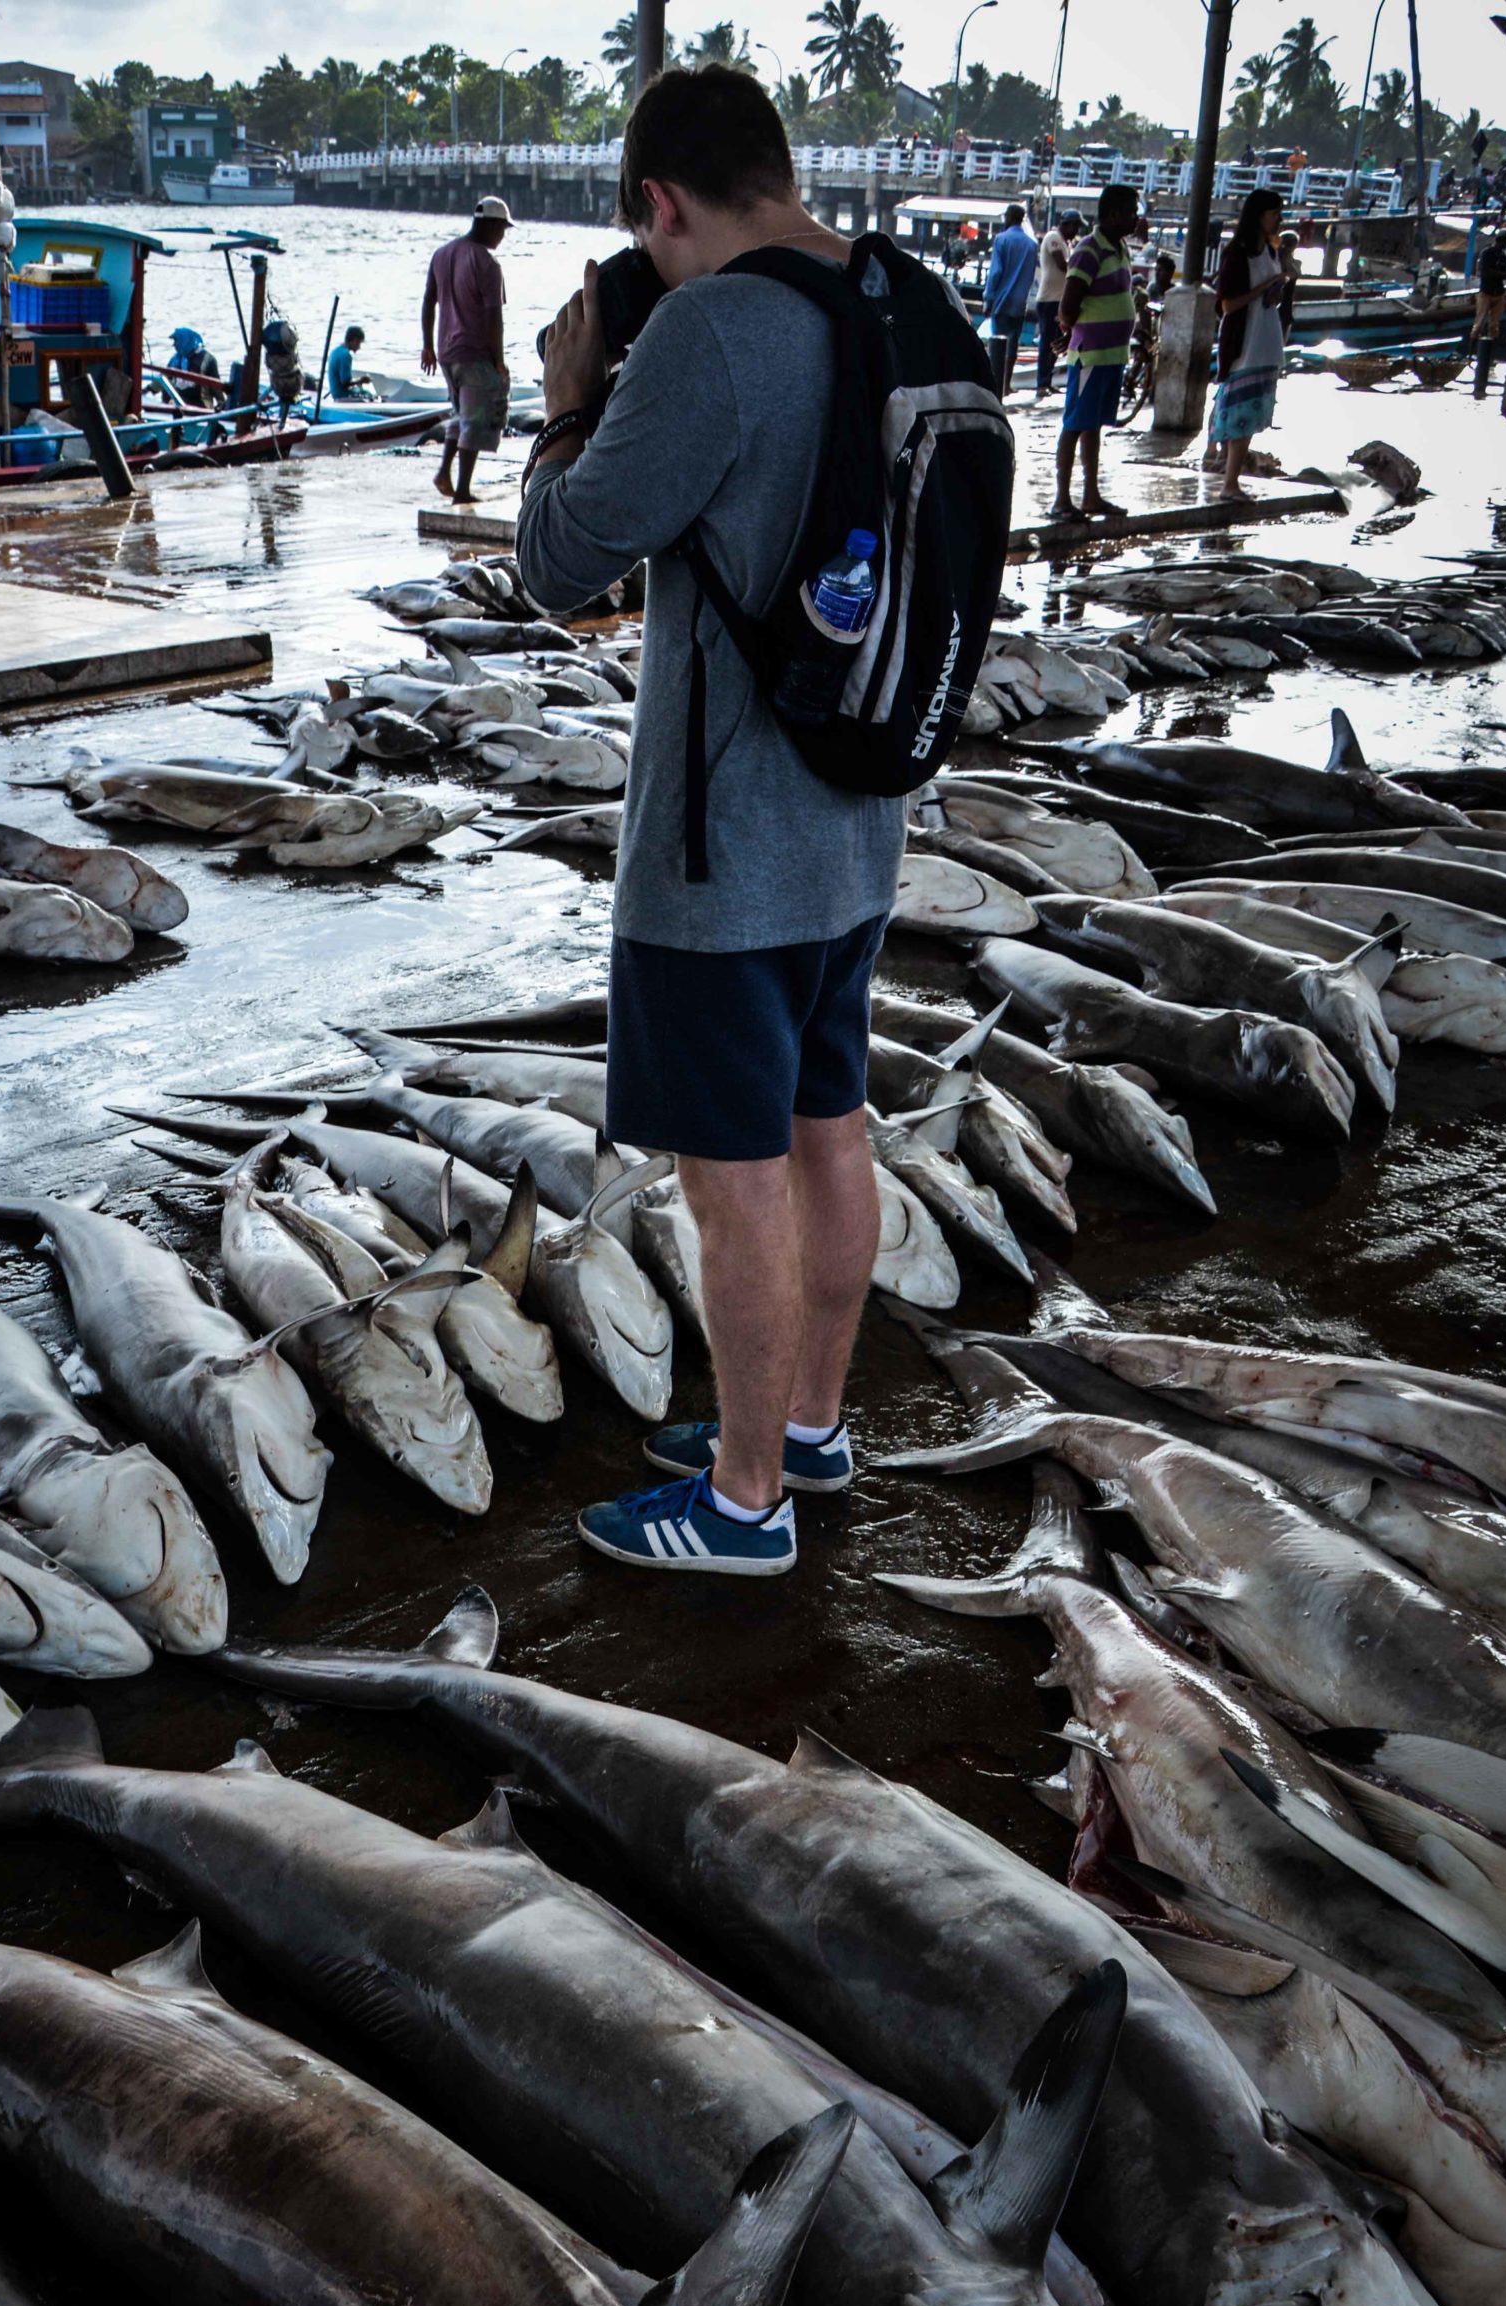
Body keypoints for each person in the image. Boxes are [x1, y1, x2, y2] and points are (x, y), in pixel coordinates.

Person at [515, 65, 911, 1577]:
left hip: (716, 851)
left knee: (730, 1178)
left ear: (659, 203)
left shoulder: (707, 326)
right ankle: (806, 1424)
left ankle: (743, 1505)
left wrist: (567, 403)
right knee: (827, 1129)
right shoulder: (896, 298)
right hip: (857, 814)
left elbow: (559, 566)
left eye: (649, 235)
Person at [1052, 183, 1138, 521]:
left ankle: (1090, 496)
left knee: (1093, 427)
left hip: (1113, 356)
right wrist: (1073, 330)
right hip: (1090, 356)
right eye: (1131, 211)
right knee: (1075, 424)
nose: (1135, 218)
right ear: (1113, 214)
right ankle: (1061, 499)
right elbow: (1068, 305)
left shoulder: (1120, 249)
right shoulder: (1090, 249)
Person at [422, 194, 513, 506]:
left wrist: (427, 346)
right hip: (474, 352)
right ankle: (462, 491)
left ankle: (444, 472)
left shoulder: (442, 253)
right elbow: (493, 317)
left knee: (460, 416)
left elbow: (427, 302)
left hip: (446, 352)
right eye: (502, 229)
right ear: (490, 225)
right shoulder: (487, 263)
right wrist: (498, 361)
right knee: (474, 421)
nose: (503, 236)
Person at [1209, 189, 1293, 501]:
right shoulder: (1238, 253)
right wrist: (1264, 289)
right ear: (1259, 216)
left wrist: (1276, 290)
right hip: (1244, 344)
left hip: (1266, 341)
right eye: (1275, 213)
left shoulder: (1271, 251)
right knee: (1237, 415)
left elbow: (1269, 294)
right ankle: (1229, 482)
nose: (1279, 219)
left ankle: (1233, 480)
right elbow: (1228, 305)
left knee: (1250, 416)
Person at [980, 200, 1038, 391]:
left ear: (1010, 217)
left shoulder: (1001, 240)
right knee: (1013, 346)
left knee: (997, 345)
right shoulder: (1031, 245)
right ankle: (1007, 385)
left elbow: (995, 273)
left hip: (1001, 301)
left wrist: (988, 299)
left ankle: (995, 385)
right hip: (1020, 302)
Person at [1033, 208, 1081, 396]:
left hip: (1059, 299)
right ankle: (1041, 383)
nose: (1076, 230)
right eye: (1075, 226)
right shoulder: (1054, 237)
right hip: (1049, 299)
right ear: (1066, 224)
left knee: (1056, 343)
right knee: (1047, 342)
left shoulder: (1065, 243)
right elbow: (1062, 264)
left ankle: (1048, 380)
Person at [1474, 227, 1506, 347]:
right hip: (1486, 292)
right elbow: (1485, 272)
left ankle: (1490, 352)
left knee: (1494, 326)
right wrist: (1502, 274)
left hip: (1499, 293)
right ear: (1500, 240)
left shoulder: (1503, 257)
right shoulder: (1487, 253)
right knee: (1479, 324)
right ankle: (1473, 351)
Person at [327, 324, 369, 402]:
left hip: (335, 392)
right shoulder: (346, 355)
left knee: (360, 391)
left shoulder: (335, 351)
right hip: (342, 395)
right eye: (359, 343)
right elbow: (345, 383)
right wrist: (361, 380)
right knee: (368, 394)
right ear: (354, 340)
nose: (359, 347)